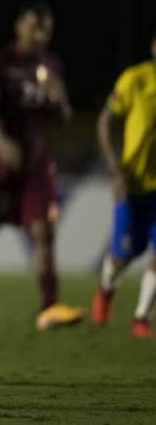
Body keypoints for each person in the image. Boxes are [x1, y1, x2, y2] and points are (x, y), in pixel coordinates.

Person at [0, 2, 84, 331]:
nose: (41, 34)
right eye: (35, 27)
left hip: (37, 164)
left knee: (44, 231)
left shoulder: (51, 65)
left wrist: (58, 100)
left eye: (46, 28)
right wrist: (1, 142)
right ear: (19, 26)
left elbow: (64, 118)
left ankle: (50, 306)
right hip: (0, 161)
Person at [93, 28, 156, 338]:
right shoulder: (136, 79)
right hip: (133, 187)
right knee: (122, 255)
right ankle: (107, 288)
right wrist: (115, 169)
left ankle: (141, 318)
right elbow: (105, 121)